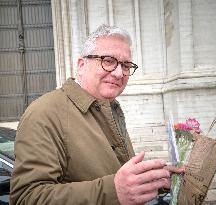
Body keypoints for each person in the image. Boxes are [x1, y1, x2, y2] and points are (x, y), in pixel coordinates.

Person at [10, 24, 185, 205]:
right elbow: (26, 197)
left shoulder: (111, 108)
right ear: (81, 65)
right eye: (108, 61)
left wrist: (154, 179)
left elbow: (115, 174)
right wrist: (113, 191)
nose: (119, 73)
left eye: (126, 65)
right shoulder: (44, 113)